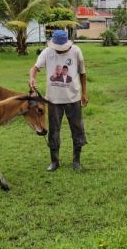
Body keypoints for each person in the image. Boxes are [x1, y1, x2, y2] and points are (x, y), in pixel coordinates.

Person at [29, 29, 88, 171]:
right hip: (54, 100)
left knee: (77, 128)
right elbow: (34, 68)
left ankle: (76, 161)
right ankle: (54, 161)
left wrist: (84, 94)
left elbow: (83, 73)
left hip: (73, 98)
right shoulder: (47, 52)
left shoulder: (76, 51)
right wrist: (32, 78)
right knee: (54, 130)